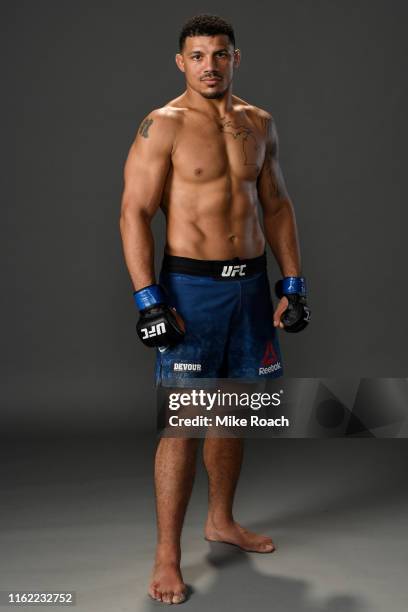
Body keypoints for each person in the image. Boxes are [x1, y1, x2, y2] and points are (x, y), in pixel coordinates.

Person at [119, 13, 310, 605]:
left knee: (232, 411)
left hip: (250, 287)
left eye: (219, 55)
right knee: (184, 422)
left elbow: (276, 204)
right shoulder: (163, 125)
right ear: (182, 62)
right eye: (197, 56)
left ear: (235, 58)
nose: (209, 66)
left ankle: (221, 521)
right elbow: (133, 210)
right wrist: (148, 296)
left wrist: (294, 282)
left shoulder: (259, 122)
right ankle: (167, 554)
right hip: (191, 290)